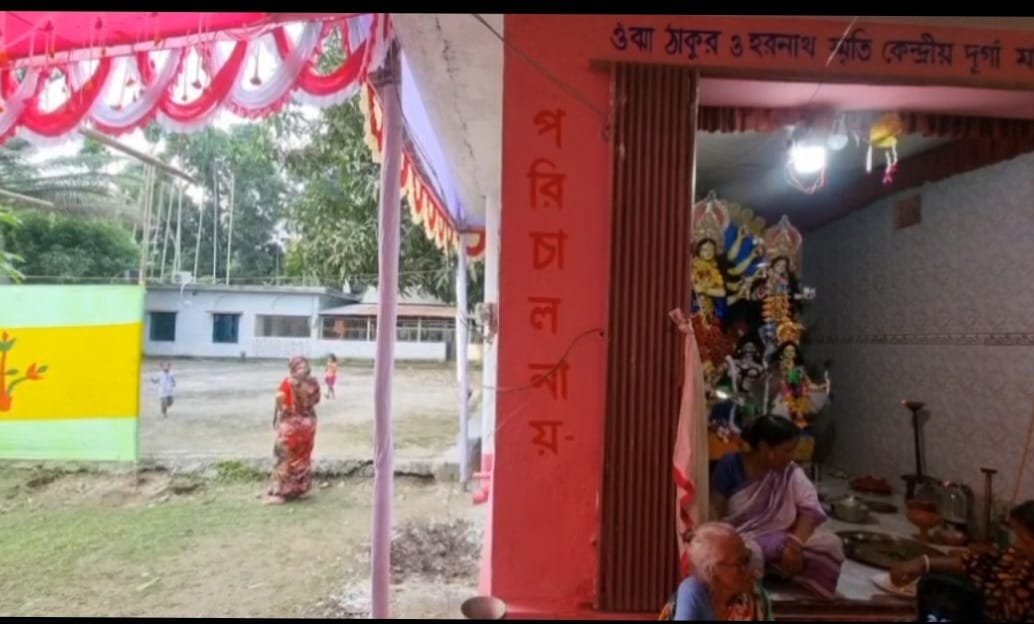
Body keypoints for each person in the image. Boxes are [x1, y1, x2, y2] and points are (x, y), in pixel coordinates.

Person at [710, 415, 844, 599]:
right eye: (787, 451)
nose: (793, 457)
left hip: (782, 537)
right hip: (742, 536)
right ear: (765, 448)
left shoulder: (790, 471)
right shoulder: (730, 465)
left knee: (831, 544)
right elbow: (715, 511)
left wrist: (795, 545)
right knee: (746, 555)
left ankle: (805, 599)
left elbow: (810, 510)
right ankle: (749, 603)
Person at [890, 500, 1034, 622]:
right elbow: (979, 563)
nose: (1017, 545)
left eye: (1025, 541)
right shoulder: (1018, 558)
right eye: (1017, 537)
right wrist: (924, 563)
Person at [660, 522, 773, 620]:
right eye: (739, 563)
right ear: (713, 570)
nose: (747, 569)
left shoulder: (755, 597)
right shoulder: (693, 591)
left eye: (747, 559)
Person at [264, 356, 321, 505]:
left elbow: (279, 396)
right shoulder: (313, 383)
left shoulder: (288, 381)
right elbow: (316, 400)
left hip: (291, 426)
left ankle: (280, 493)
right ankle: (300, 489)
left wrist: (281, 409)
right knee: (302, 458)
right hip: (308, 425)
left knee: (284, 458)